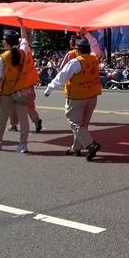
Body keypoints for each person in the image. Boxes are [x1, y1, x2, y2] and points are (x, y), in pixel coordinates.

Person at [43, 32, 103, 161]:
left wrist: (49, 89)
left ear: (78, 50)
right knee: (83, 124)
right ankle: (76, 148)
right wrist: (87, 34)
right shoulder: (94, 58)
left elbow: (61, 77)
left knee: (74, 123)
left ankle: (91, 145)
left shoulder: (75, 62)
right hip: (92, 96)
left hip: (77, 96)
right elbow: (95, 46)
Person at [0, 26, 35, 153]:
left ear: (6, 42)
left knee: (2, 118)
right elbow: (25, 40)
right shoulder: (23, 52)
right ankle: (23, 145)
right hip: (22, 91)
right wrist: (22, 24)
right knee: (23, 118)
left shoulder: (2, 57)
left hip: (7, 92)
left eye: (3, 39)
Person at [8, 23, 43, 133]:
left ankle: (14, 124)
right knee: (29, 104)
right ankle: (36, 119)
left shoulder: (13, 54)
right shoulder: (26, 51)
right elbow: (24, 39)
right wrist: (21, 23)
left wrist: (21, 23)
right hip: (29, 81)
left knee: (14, 105)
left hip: (17, 83)